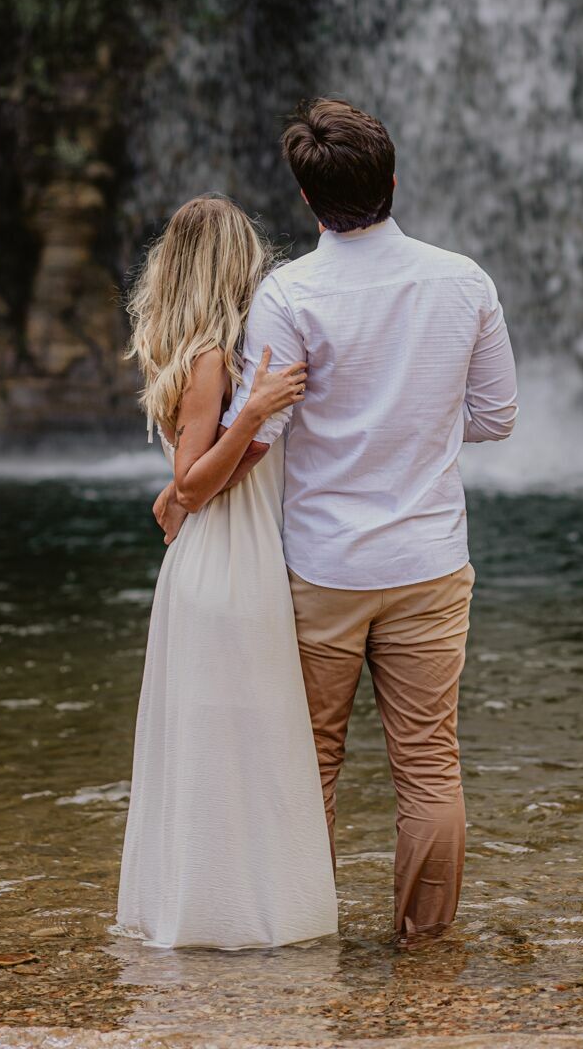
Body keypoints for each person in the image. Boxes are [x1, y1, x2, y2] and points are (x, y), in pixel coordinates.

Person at [153, 97, 518, 942]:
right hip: (429, 561)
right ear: (393, 180)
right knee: (429, 765)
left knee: (308, 761)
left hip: (321, 569)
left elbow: (261, 434)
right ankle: (425, 949)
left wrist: (183, 489)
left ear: (310, 204)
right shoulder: (464, 280)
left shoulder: (290, 293)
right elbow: (496, 416)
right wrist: (419, 424)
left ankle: (306, 936)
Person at [117, 195, 338, 949]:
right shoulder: (212, 357)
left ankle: (232, 909)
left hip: (228, 564)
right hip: (225, 573)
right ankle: (224, 919)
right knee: (231, 745)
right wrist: (254, 416)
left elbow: (191, 479)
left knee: (238, 744)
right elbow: (189, 484)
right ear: (232, 264)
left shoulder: (219, 353)